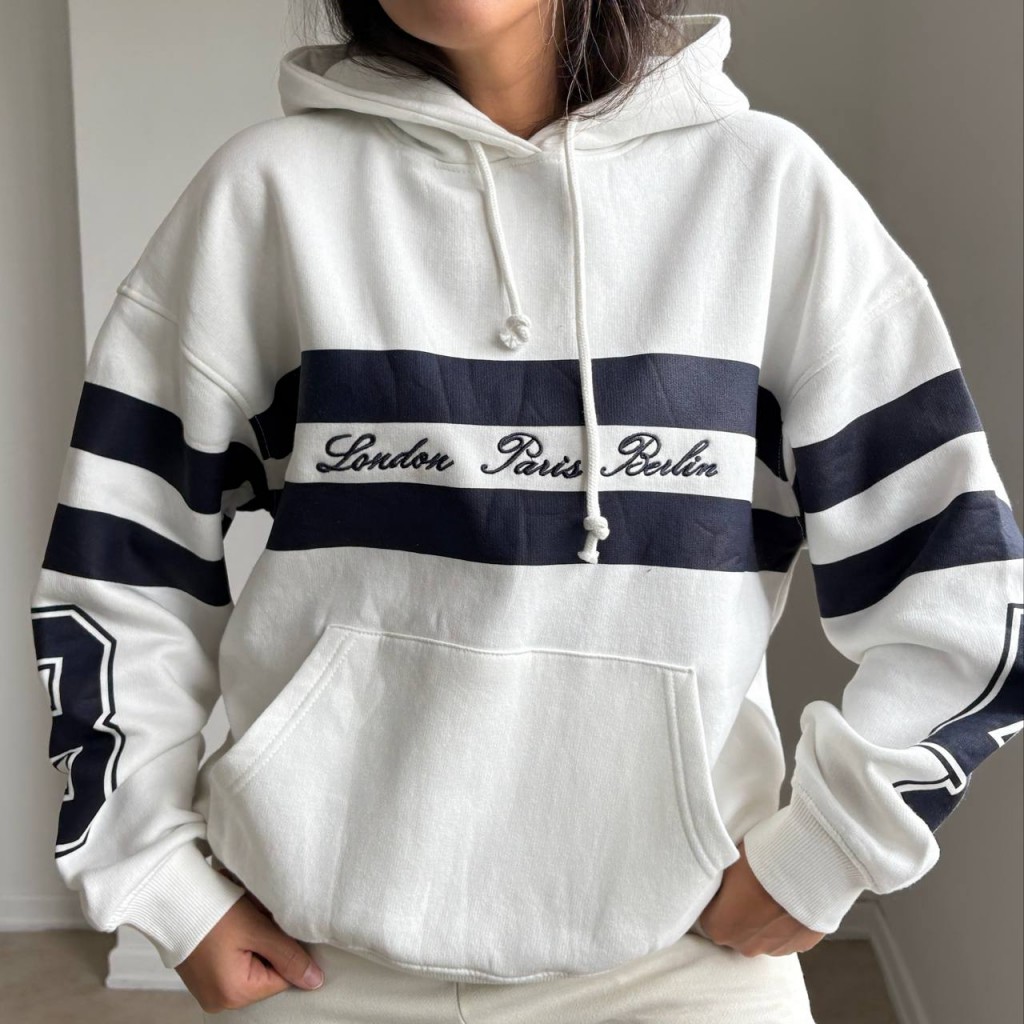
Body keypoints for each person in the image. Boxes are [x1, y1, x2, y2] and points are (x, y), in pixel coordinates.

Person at [28, 2, 1022, 1022]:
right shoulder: (268, 197)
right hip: (318, 961)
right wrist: (163, 879)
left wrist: (829, 848)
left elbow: (957, 585)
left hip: (680, 961)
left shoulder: (767, 193)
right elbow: (122, 567)